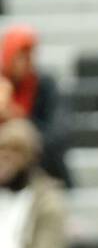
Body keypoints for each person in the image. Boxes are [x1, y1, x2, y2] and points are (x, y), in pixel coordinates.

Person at [0, 119, 67, 248]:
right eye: (2, 150)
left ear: (31, 158)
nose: (6, 158)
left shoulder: (48, 199)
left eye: (15, 151)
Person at [0, 26, 71, 186]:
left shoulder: (44, 87)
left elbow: (58, 137)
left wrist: (18, 117)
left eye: (28, 56)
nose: (25, 62)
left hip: (41, 173)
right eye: (19, 56)